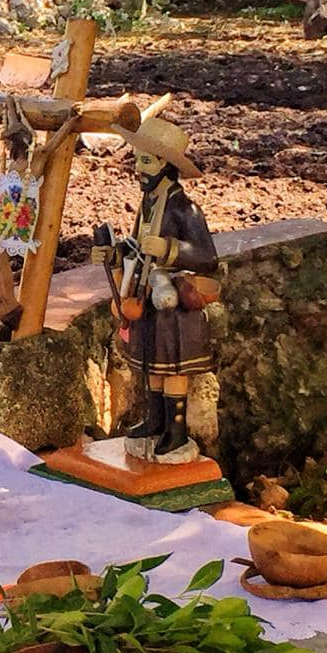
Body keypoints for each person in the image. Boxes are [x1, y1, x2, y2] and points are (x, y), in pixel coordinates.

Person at [93, 117, 219, 464]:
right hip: (149, 295)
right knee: (152, 364)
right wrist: (116, 252)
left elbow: (208, 257)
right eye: (137, 159)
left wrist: (168, 249)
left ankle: (175, 431)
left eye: (146, 161)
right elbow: (138, 248)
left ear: (166, 166)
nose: (138, 168)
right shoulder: (149, 203)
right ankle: (156, 421)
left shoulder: (184, 209)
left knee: (173, 367)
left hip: (174, 304)